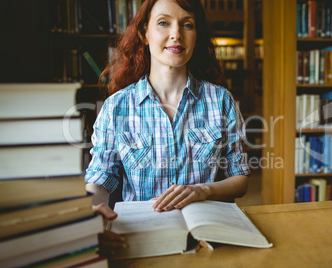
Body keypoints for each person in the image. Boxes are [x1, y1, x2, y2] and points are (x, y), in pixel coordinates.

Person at [85, 0, 250, 256]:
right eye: (164, 23)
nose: (176, 34)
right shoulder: (116, 107)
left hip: (206, 242)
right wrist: (90, 218)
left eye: (187, 25)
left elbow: (239, 178)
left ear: (196, 36)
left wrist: (202, 190)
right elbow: (100, 178)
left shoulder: (221, 101)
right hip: (139, 242)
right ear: (145, 33)